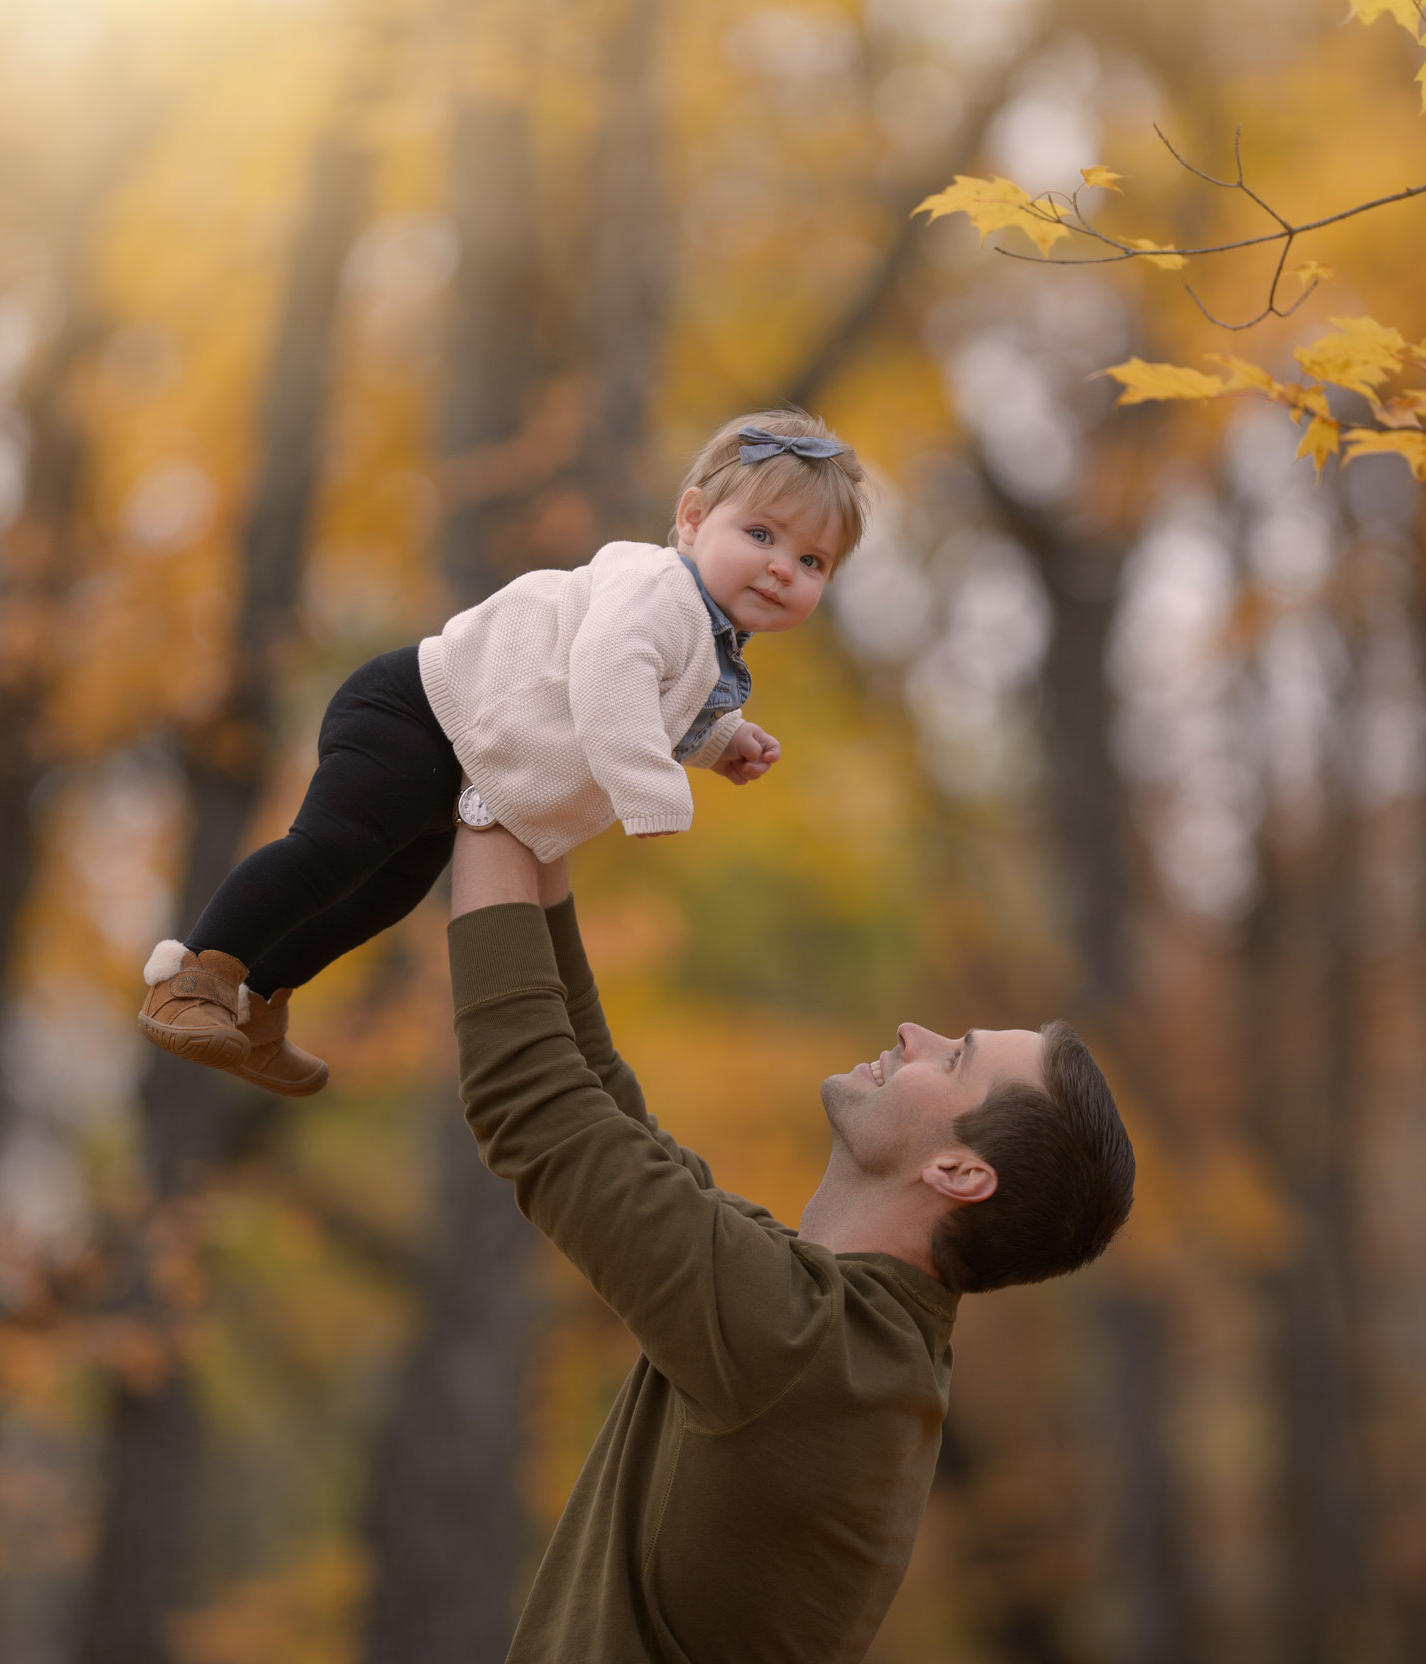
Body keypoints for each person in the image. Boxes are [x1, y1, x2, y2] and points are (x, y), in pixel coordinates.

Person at [444, 818, 1136, 1663]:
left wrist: (488, 792)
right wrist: (541, 809)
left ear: (959, 1174)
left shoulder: (809, 1349)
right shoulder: (851, 1340)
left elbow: (532, 1095)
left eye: (954, 1060)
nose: (916, 1032)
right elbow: (601, 1101)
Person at [136, 410, 868, 1096]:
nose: (781, 569)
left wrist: (718, 739)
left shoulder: (704, 636)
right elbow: (609, 674)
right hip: (415, 712)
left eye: (812, 561)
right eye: (763, 536)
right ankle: (192, 976)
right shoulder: (655, 589)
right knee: (331, 852)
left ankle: (258, 1007)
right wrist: (653, 788)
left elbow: (658, 701)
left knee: (379, 896)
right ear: (693, 519)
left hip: (455, 756)